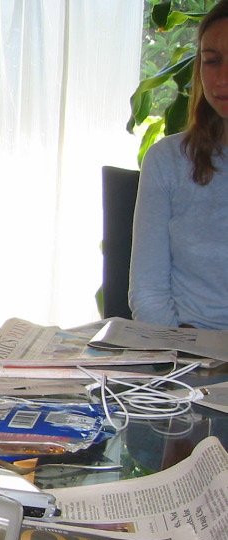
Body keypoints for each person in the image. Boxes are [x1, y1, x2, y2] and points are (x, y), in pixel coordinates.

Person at [129, 0, 228, 329]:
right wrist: (181, 353)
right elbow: (148, 293)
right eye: (211, 61)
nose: (222, 78)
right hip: (189, 356)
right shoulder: (167, 160)